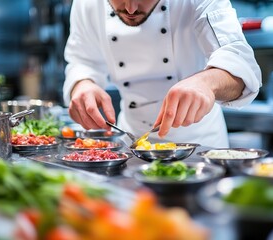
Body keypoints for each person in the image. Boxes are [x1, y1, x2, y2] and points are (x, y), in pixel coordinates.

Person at [63, 0, 262, 148]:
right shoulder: (86, 3)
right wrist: (82, 84)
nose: (131, 9)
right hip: (131, 143)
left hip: (199, 146)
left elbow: (240, 62)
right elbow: (82, 61)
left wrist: (207, 83)